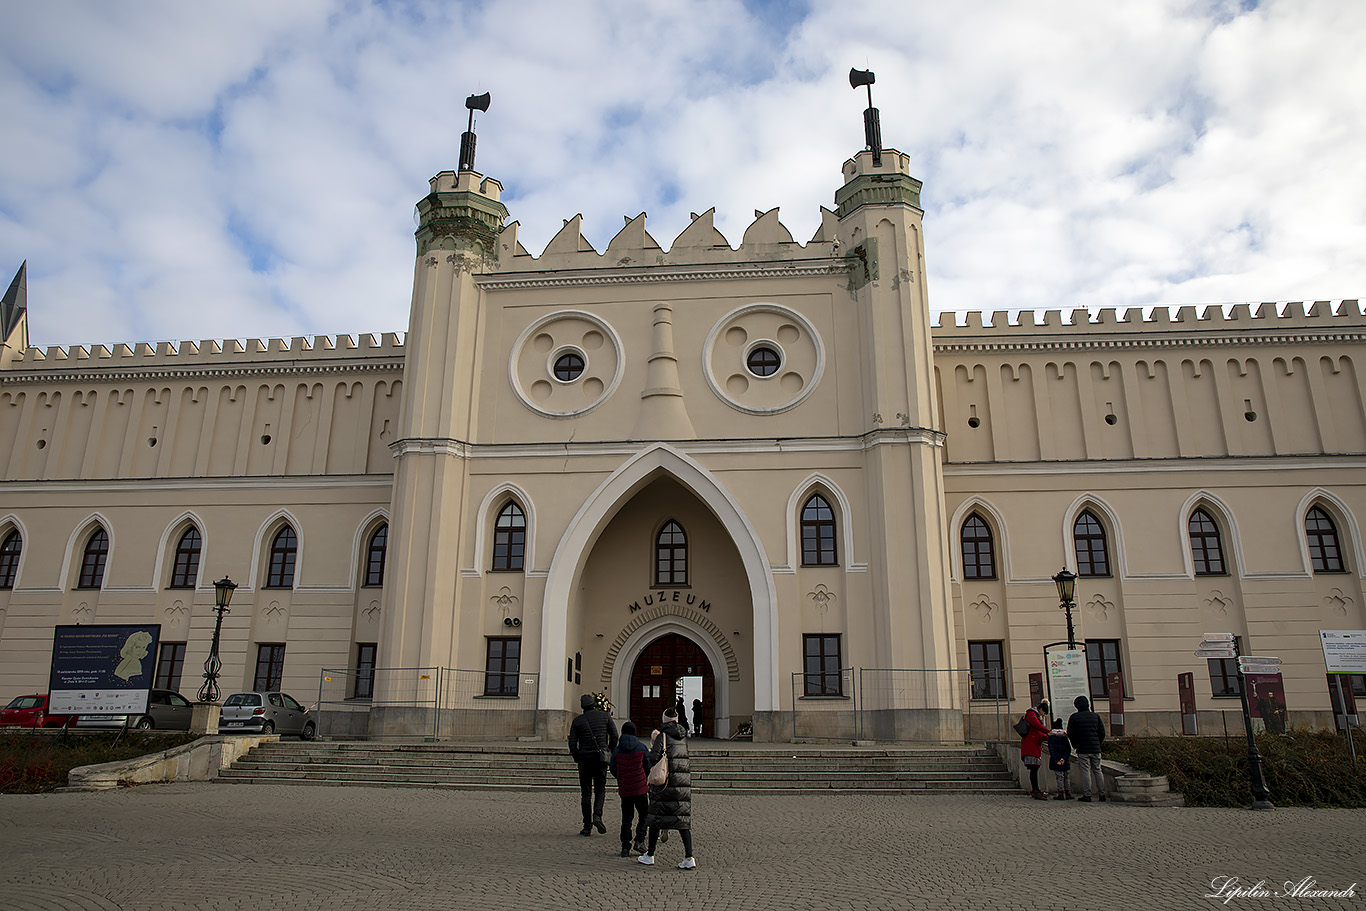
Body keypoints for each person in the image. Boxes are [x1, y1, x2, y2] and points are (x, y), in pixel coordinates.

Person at [638, 707, 695, 869]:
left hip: (664, 783)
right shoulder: (683, 737)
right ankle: (689, 857)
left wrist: (653, 742)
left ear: (664, 720)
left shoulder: (662, 736)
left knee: (656, 817)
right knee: (682, 820)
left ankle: (650, 854)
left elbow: (653, 758)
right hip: (681, 783)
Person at [568, 693, 619, 836]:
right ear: (593, 704)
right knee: (600, 790)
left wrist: (577, 756)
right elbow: (614, 736)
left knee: (586, 793)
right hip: (600, 759)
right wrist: (609, 750)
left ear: (582, 706)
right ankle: (597, 816)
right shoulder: (605, 716)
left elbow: (572, 743)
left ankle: (586, 826)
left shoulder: (577, 721)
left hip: (584, 759)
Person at [609, 721, 650, 857]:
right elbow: (647, 766)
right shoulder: (641, 747)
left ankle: (625, 846)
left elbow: (613, 768)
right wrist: (643, 778)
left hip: (625, 788)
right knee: (644, 814)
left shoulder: (617, 749)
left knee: (626, 817)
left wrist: (622, 778)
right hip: (640, 788)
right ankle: (640, 839)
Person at [1066, 695, 1107, 802]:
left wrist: (1075, 745)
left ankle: (1087, 794)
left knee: (1085, 771)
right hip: (1095, 748)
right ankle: (1102, 794)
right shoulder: (1095, 716)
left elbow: (1071, 733)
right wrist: (1098, 743)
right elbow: (1102, 732)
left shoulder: (1074, 717)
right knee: (1098, 770)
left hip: (1082, 748)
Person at [1020, 698, 1050, 799]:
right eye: (1044, 713)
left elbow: (1038, 731)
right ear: (1040, 709)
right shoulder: (1031, 714)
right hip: (1030, 746)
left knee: (1035, 768)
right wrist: (1048, 732)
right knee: (1034, 768)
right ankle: (1035, 790)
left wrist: (1047, 736)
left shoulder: (1036, 715)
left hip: (1034, 745)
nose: (1043, 715)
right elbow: (1037, 726)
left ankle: (1036, 789)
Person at [1047, 717, 1073, 800]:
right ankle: (1068, 793)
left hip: (1056, 761)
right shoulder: (1064, 737)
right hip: (1065, 760)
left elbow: (1051, 751)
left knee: (1059, 777)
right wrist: (1064, 759)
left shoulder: (1051, 738)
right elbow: (1068, 749)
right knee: (1066, 777)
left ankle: (1060, 793)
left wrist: (1056, 760)